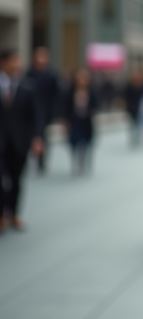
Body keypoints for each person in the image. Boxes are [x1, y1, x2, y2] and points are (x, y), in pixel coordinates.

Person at [0, 49, 41, 232]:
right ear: (3, 63)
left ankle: (14, 214)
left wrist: (37, 138)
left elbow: (36, 116)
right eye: (13, 60)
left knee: (16, 181)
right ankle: (2, 215)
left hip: (19, 143)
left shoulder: (28, 87)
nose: (17, 64)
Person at [25, 46, 60, 174]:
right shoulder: (29, 74)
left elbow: (56, 95)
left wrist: (55, 112)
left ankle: (41, 159)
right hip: (29, 111)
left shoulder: (51, 75)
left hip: (45, 112)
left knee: (42, 136)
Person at [62, 68, 99, 176]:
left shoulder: (91, 92)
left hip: (86, 122)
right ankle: (75, 162)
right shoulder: (70, 92)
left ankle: (84, 163)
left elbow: (95, 105)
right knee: (74, 142)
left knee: (86, 144)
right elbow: (65, 107)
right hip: (74, 121)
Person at [123, 69, 143, 147]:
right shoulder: (129, 87)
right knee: (133, 124)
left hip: (141, 109)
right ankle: (133, 138)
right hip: (132, 109)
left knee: (140, 125)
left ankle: (138, 138)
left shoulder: (142, 86)